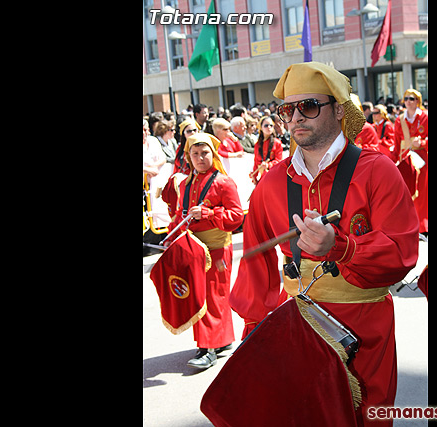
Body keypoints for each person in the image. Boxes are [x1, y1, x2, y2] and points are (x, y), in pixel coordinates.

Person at [229, 62, 419, 426]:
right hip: (297, 331)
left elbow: (402, 254)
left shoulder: (378, 170)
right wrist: (254, 331)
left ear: (337, 108)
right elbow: (256, 265)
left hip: (367, 334)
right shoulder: (269, 183)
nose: (297, 116)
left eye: (309, 106)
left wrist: (343, 248)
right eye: (288, 109)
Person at [161, 132, 244, 369]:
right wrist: (171, 235)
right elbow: (180, 213)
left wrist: (209, 214)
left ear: (213, 154)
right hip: (192, 249)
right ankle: (222, 340)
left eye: (204, 153)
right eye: (194, 154)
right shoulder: (185, 183)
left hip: (216, 249)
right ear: (187, 157)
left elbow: (237, 217)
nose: (200, 158)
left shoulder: (224, 182)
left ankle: (207, 349)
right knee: (201, 296)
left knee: (212, 297)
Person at [392, 89, 428, 233]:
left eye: (411, 98)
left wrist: (423, 143)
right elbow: (396, 143)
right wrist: (393, 161)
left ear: (417, 101)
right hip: (405, 158)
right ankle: (408, 225)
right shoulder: (399, 119)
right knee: (405, 192)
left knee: (421, 191)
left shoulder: (425, 117)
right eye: (406, 98)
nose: (408, 101)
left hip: (422, 160)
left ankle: (422, 226)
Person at [250, 116, 283, 185]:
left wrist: (268, 165)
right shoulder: (258, 144)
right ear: (261, 128)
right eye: (266, 125)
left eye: (271, 125)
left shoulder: (277, 143)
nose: (269, 127)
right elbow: (256, 162)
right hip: (263, 177)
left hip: (274, 176)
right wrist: (254, 175)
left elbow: (279, 160)